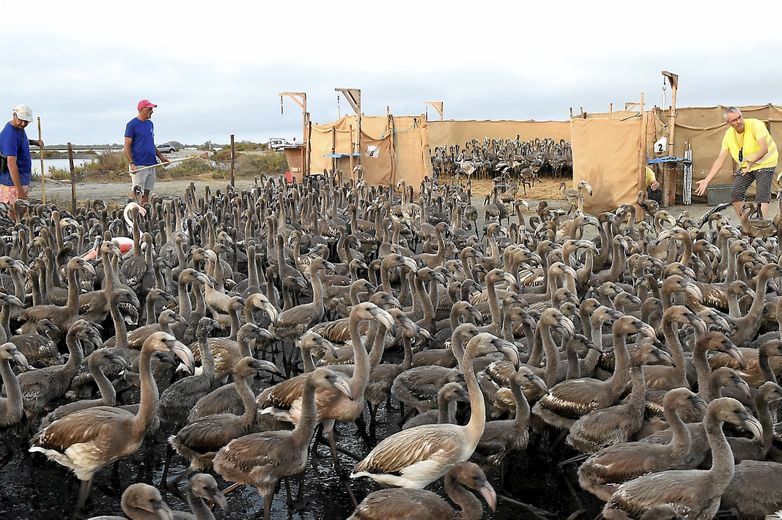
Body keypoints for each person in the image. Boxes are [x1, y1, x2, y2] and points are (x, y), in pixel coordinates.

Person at [695, 107, 778, 219]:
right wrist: (707, 180)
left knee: (762, 194)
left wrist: (751, 162)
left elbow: (764, 149)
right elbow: (720, 159)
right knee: (735, 194)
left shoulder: (756, 125)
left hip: (766, 162)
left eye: (739, 117)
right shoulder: (728, 135)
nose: (738, 121)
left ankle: (760, 224)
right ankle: (746, 223)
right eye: (734, 120)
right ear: (728, 123)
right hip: (747, 166)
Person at [124, 99, 169, 204]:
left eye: (152, 108)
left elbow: (150, 144)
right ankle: (132, 213)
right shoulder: (132, 124)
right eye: (149, 108)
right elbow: (127, 146)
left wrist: (161, 157)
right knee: (136, 191)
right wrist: (132, 163)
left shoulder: (150, 124)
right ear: (141, 109)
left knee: (147, 192)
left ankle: (144, 213)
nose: (152, 111)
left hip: (151, 163)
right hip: (139, 164)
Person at [0, 104, 43, 207]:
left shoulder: (18, 129)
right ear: (14, 115)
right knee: (13, 214)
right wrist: (19, 189)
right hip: (11, 184)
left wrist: (34, 142)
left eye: (26, 121)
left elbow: (20, 142)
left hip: (19, 179)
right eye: (21, 120)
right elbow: (11, 163)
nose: (23, 124)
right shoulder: (10, 134)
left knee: (18, 213)